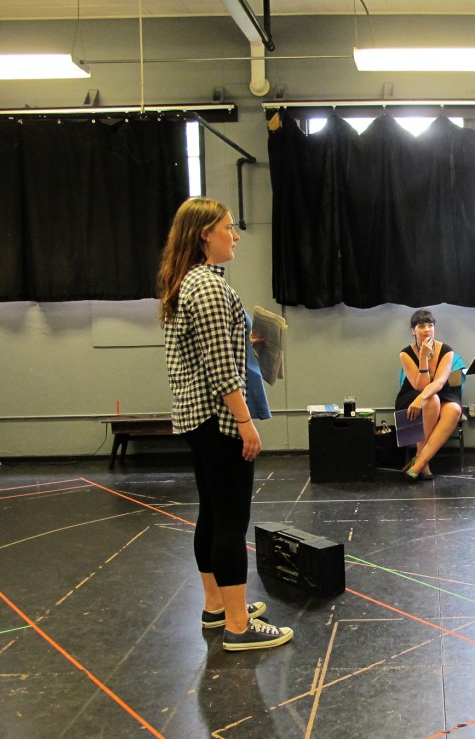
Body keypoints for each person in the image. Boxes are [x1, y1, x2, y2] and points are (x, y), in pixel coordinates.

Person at [157, 197, 293, 651]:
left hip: (196, 418)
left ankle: (217, 605)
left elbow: (207, 351)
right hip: (219, 420)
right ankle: (239, 625)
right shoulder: (212, 290)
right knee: (232, 521)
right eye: (228, 228)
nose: (235, 236)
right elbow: (220, 370)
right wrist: (246, 422)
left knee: (213, 514)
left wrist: (246, 337)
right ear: (204, 235)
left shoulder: (187, 282)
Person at [395, 309, 463, 481]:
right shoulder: (405, 354)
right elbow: (420, 386)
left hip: (442, 392)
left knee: (454, 409)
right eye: (421, 326)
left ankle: (419, 460)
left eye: (430, 325)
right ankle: (422, 466)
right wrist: (423, 358)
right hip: (412, 393)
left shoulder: (447, 350)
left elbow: (439, 383)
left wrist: (421, 398)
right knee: (431, 400)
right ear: (413, 330)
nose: (427, 330)